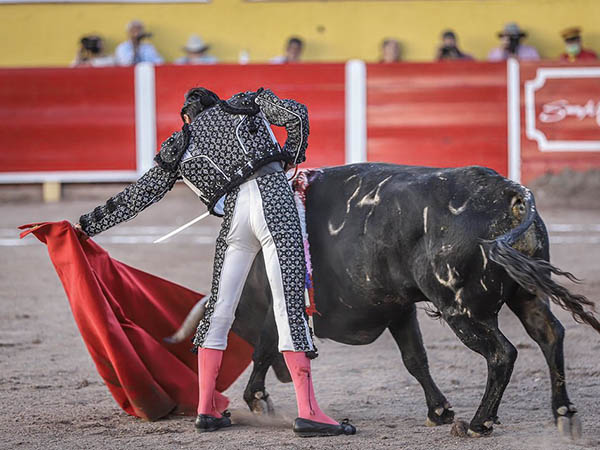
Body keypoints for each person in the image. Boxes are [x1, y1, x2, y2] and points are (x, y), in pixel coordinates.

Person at [74, 87, 356, 438]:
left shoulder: (183, 140)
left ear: (187, 116)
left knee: (219, 309)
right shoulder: (243, 104)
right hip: (273, 195)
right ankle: (309, 412)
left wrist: (88, 225)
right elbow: (297, 114)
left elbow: (141, 193)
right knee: (288, 303)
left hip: (235, 214)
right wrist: (289, 155)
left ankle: (206, 409)